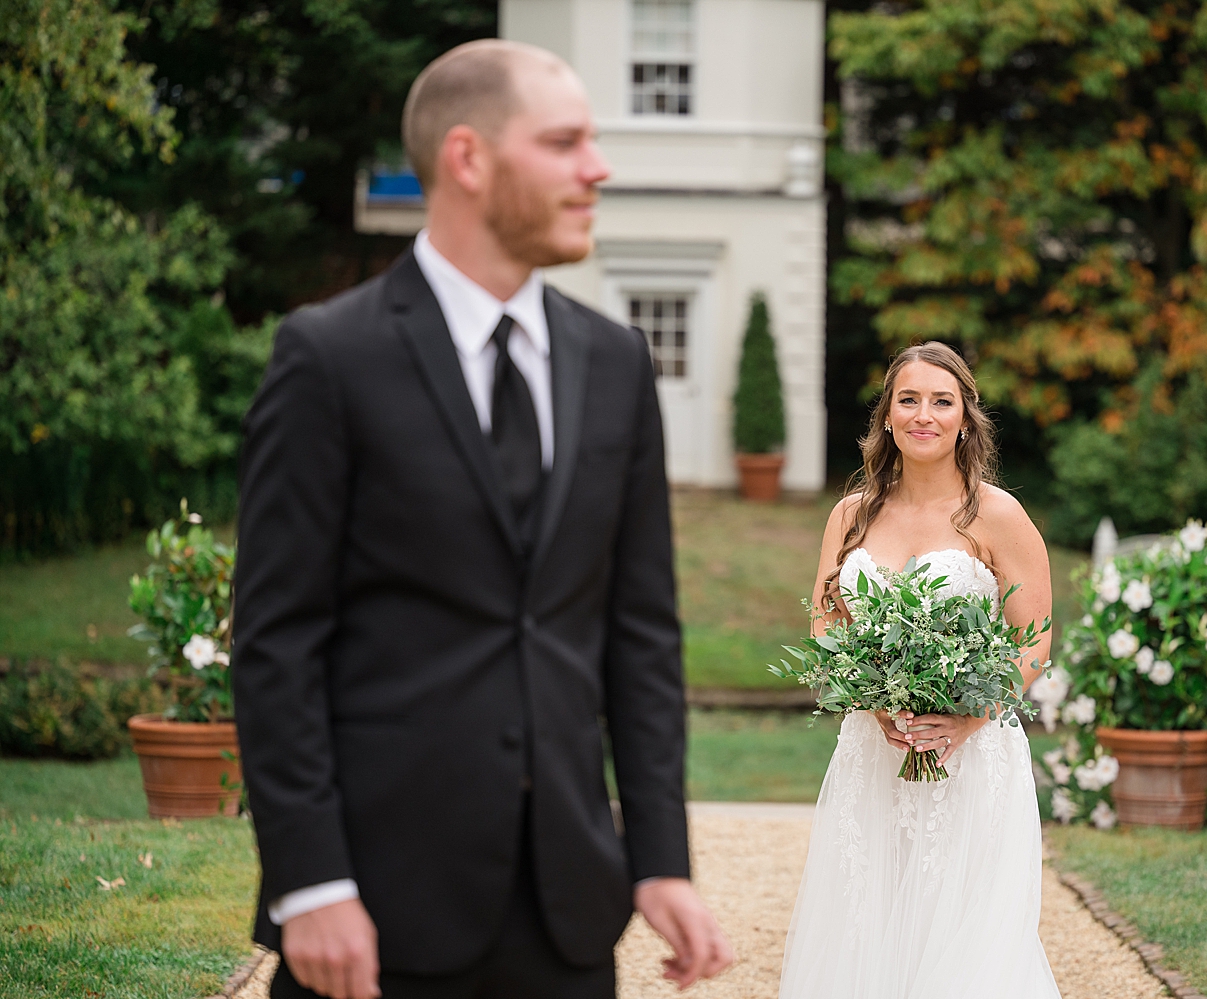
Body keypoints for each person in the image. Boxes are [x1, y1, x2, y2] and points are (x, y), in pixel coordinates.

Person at [233, 39, 734, 999]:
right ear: (468, 158)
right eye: (565, 142)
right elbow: (276, 641)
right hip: (371, 916)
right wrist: (311, 879)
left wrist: (660, 856)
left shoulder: (618, 364)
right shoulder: (328, 358)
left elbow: (639, 636)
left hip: (567, 915)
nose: (599, 167)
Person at [778, 342, 1062, 999]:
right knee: (864, 925)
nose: (923, 414)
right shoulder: (851, 515)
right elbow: (826, 626)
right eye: (908, 399)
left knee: (962, 939)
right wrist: (872, 699)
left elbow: (1033, 638)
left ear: (966, 418)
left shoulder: (997, 514)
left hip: (972, 757)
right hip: (872, 755)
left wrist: (967, 716)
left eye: (942, 400)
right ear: (886, 415)